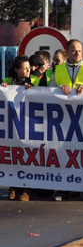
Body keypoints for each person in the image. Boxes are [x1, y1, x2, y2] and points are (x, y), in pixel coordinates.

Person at [2, 56, 33, 201]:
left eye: (29, 68)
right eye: (25, 68)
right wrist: (4, 87)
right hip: (12, 123)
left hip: (29, 123)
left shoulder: (35, 80)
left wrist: (32, 88)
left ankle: (26, 189)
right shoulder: (8, 81)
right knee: (14, 155)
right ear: (16, 70)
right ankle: (13, 186)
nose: (28, 70)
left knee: (28, 154)